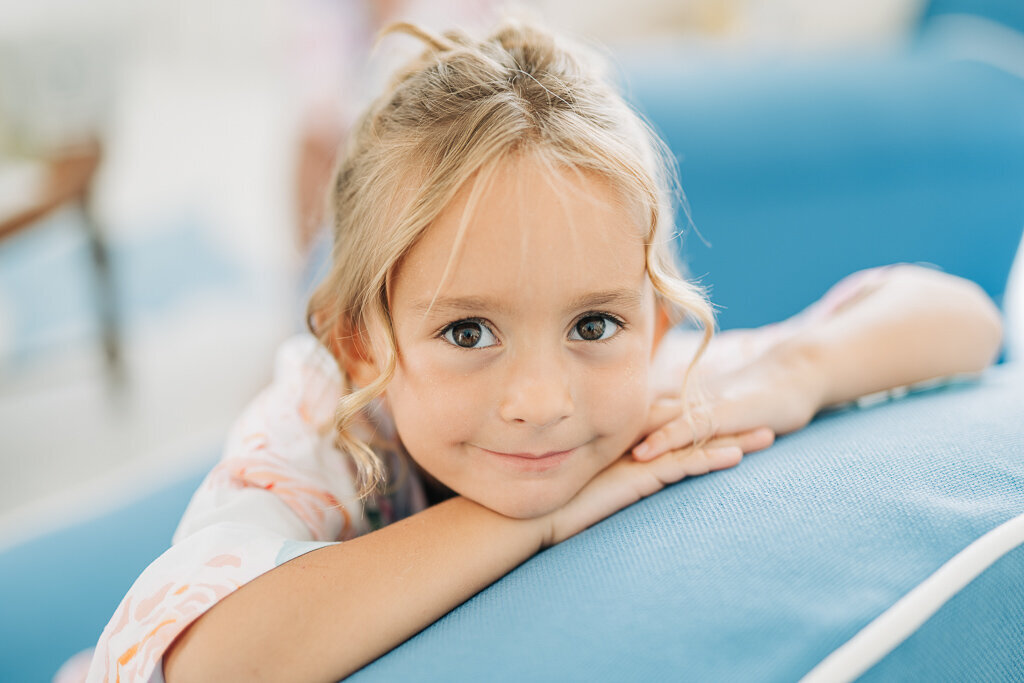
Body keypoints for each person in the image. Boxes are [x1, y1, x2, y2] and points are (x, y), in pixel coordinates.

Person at [80, 18, 1003, 683]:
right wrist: (532, 521)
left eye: (594, 323)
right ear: (364, 346)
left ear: (658, 321)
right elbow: (207, 662)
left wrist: (798, 371)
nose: (541, 397)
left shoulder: (652, 385)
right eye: (467, 332)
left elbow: (962, 319)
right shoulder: (314, 428)